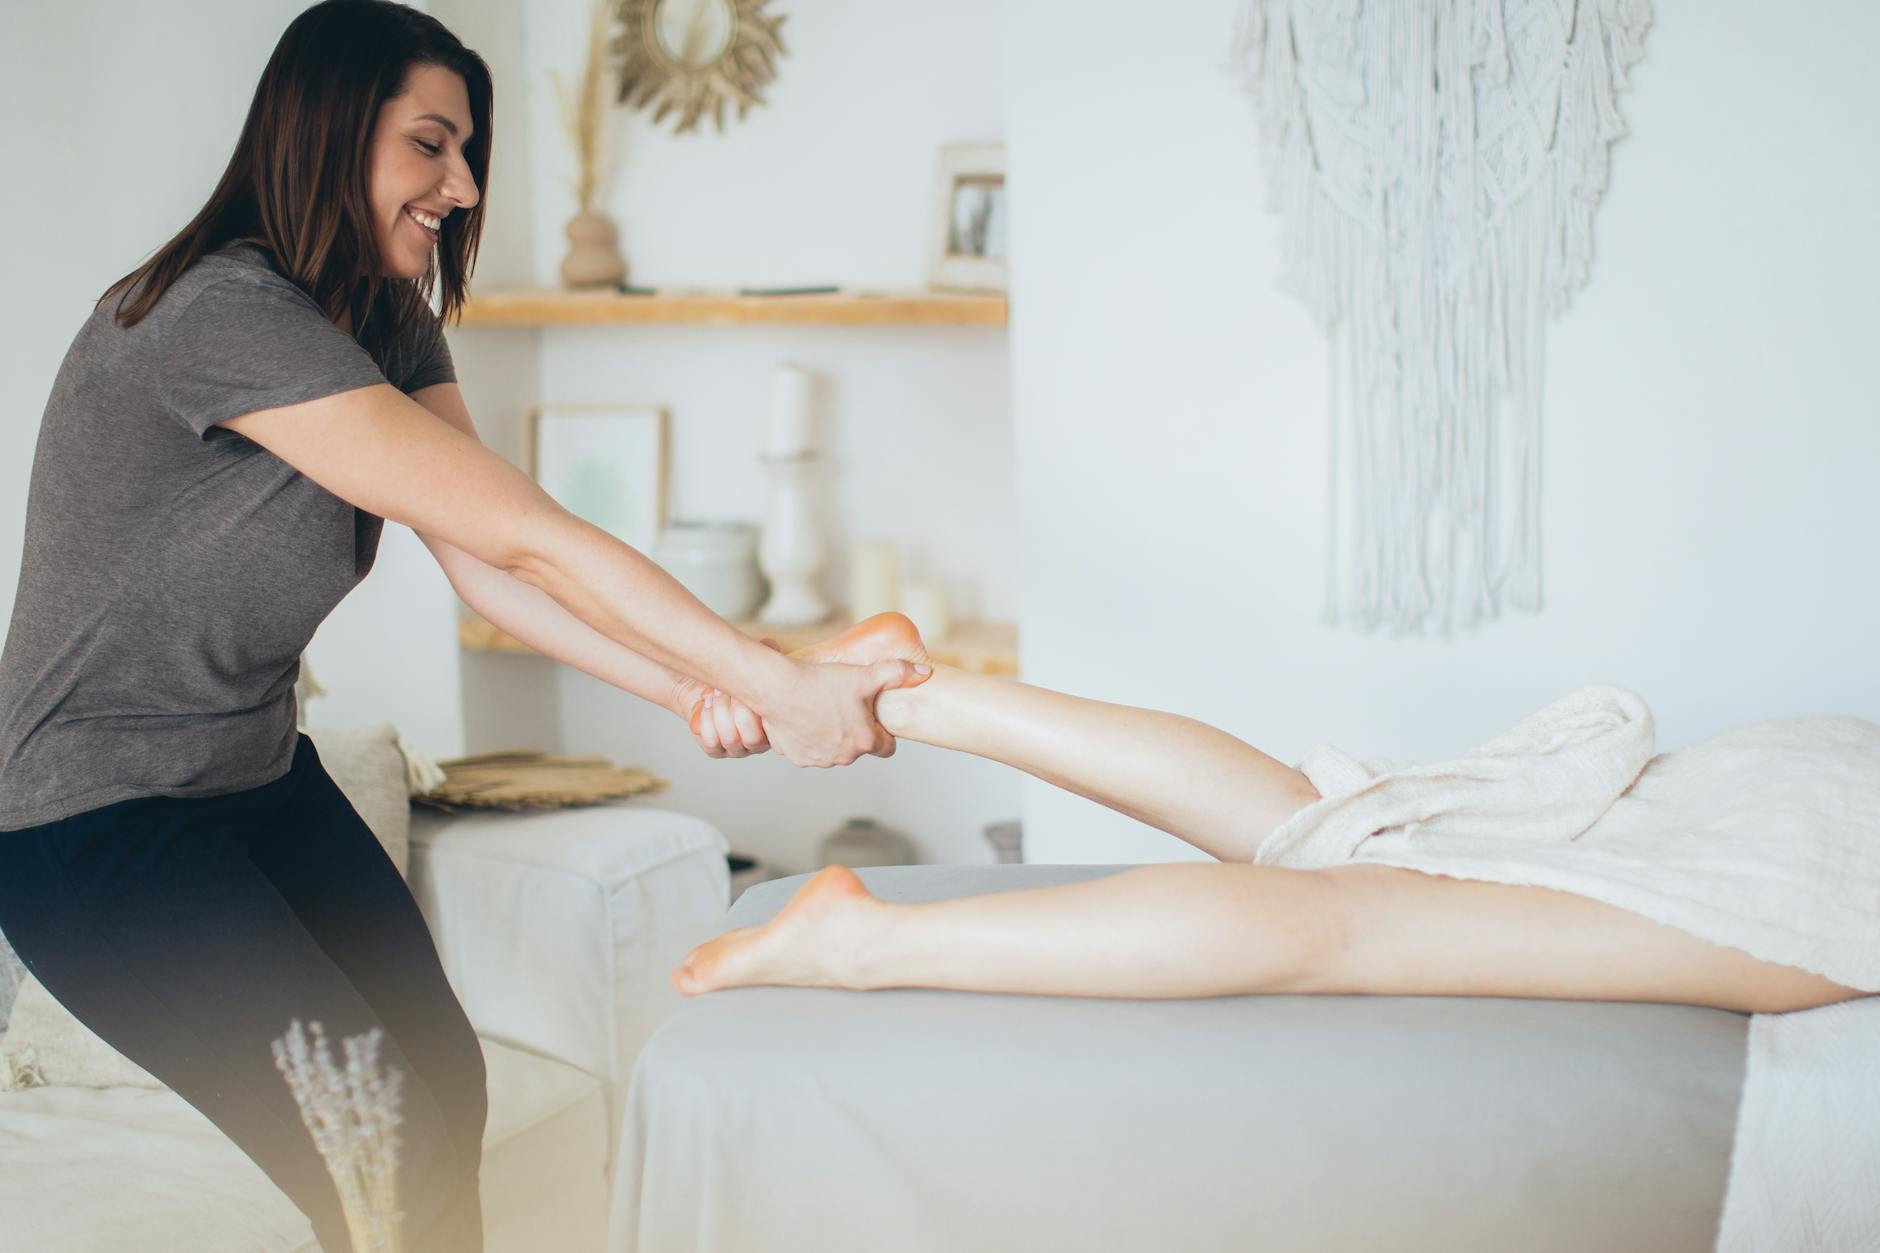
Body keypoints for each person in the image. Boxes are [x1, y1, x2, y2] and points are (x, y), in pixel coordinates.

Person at [0, 3, 923, 1250]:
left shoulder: (382, 316)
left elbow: (498, 572)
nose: (464, 182)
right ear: (327, 130)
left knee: (444, 1086)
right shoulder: (215, 317)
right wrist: (772, 675)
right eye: (430, 144)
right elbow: (532, 534)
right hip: (94, 822)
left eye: (469, 148)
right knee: (377, 1136)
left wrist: (711, 687)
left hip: (253, 779)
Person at [674, 613, 1875, 1017]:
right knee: (1361, 918)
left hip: (1821, 775)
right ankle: (867, 941)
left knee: (1329, 824)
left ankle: (910, 690)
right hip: (1837, 862)